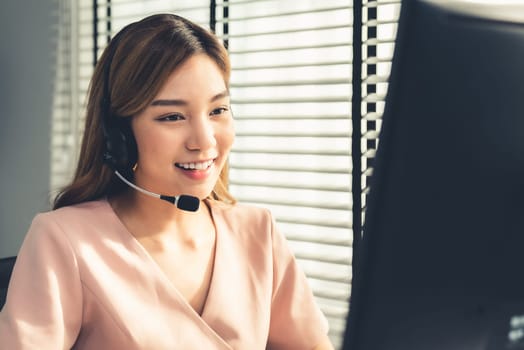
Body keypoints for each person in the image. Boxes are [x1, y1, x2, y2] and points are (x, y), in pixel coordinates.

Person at [0, 13, 333, 349]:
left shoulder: (259, 234)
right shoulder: (64, 241)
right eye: (172, 117)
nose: (203, 141)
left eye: (218, 110)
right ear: (119, 136)